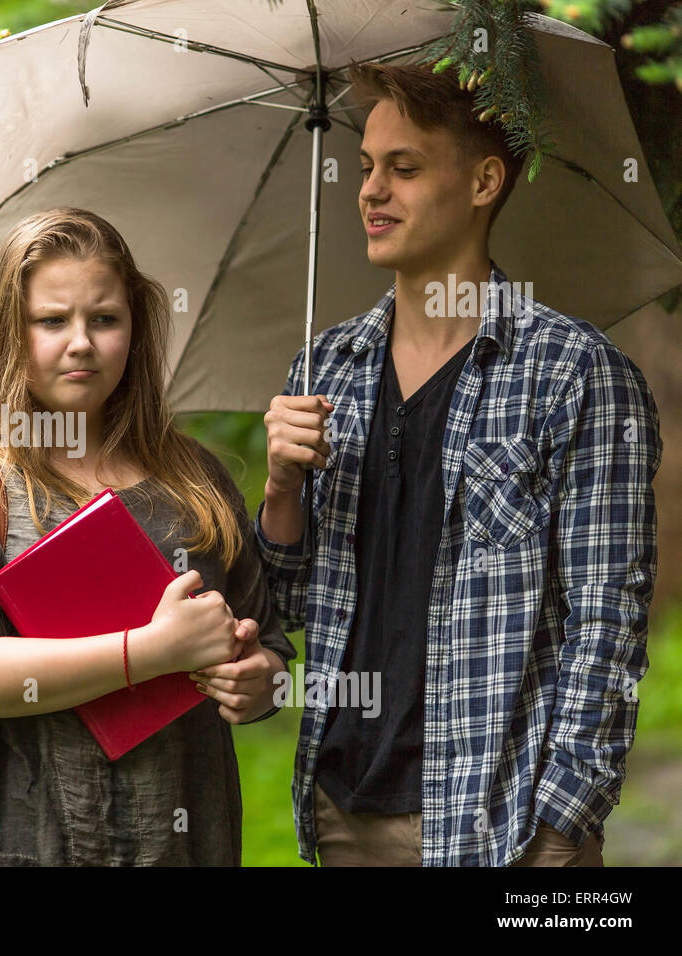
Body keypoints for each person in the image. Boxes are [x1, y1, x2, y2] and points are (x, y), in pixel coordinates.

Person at [255, 62, 661, 867]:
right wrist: (279, 490)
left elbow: (609, 621)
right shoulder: (326, 370)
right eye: (366, 167)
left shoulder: (574, 372)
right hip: (343, 813)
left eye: (403, 169)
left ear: (483, 181)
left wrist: (560, 825)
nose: (371, 192)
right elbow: (289, 603)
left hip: (502, 822)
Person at [0, 206, 296, 865]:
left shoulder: (195, 478)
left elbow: (270, 649)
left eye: (104, 319)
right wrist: (148, 651)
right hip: (18, 843)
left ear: (134, 328)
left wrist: (256, 681)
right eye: (52, 320)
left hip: (184, 842)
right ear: (10, 333)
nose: (81, 342)